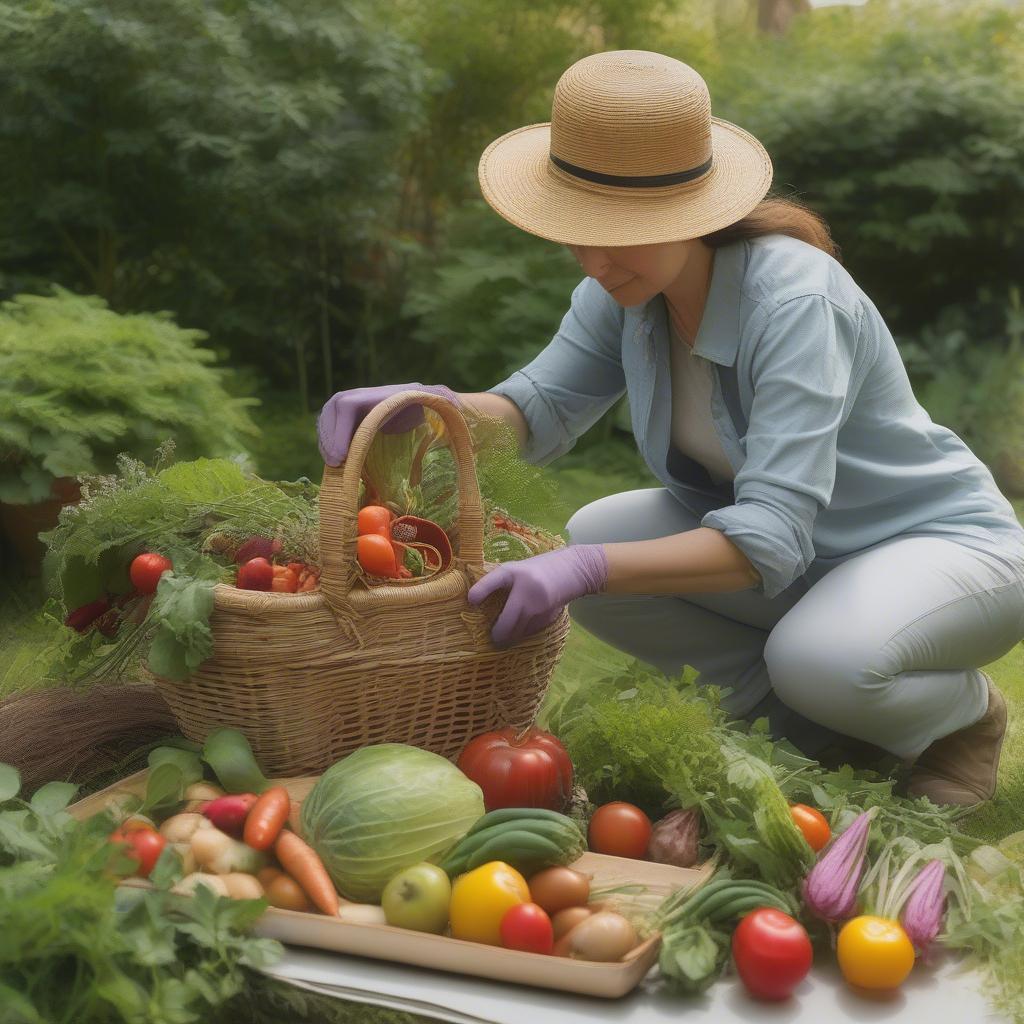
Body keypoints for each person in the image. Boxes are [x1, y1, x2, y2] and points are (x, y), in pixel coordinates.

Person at [318, 50, 1024, 808]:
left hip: (935, 550)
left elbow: (769, 535)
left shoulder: (794, 303)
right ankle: (820, 735)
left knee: (811, 654)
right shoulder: (624, 288)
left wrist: (587, 567)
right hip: (809, 560)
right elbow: (535, 410)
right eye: (576, 230)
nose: (591, 260)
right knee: (595, 529)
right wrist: (431, 407)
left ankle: (962, 719)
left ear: (690, 214)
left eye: (615, 231)